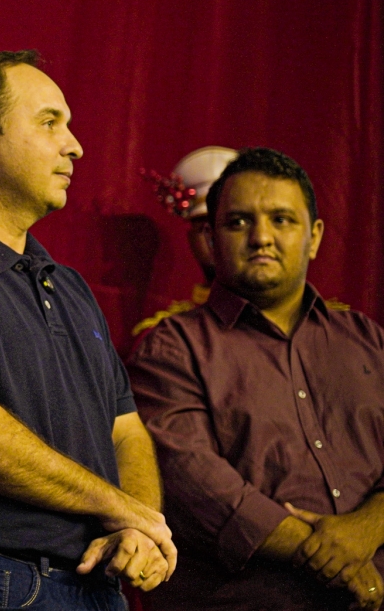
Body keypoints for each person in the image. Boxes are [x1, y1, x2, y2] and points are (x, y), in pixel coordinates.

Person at [0, 50, 176, 610]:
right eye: (50, 123)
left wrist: (139, 525)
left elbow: (125, 431)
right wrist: (118, 506)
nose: (75, 146)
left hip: (95, 583)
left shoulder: (69, 286)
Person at [128, 147, 384, 611]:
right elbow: (195, 484)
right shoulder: (171, 347)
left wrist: (368, 528)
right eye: (239, 222)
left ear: (314, 237)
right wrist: (333, 555)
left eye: (282, 220)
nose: (261, 237)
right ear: (211, 238)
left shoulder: (368, 340)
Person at [131, 146, 239, 340]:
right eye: (203, 228)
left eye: (232, 224)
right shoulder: (166, 335)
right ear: (190, 240)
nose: (214, 237)